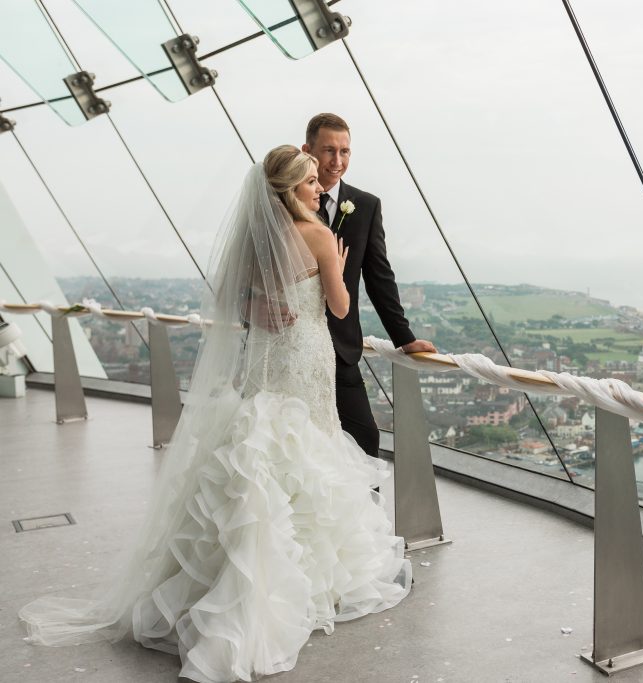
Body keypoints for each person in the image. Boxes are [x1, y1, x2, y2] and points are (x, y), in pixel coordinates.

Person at [19, 146, 412, 683]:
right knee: (309, 459)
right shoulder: (320, 236)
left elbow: (238, 302)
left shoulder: (256, 242)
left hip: (264, 365)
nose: (321, 189)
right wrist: (339, 267)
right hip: (306, 358)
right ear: (292, 189)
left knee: (257, 459)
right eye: (313, 182)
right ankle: (310, 582)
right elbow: (341, 308)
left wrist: (260, 306)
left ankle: (228, 578)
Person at [301, 113, 435, 457]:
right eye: (329, 151)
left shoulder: (365, 205)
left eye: (345, 151)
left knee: (364, 440)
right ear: (307, 150)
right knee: (298, 443)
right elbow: (255, 267)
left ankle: (365, 513)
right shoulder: (279, 205)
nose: (337, 161)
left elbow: (379, 277)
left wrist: (404, 338)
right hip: (292, 344)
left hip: (342, 348)